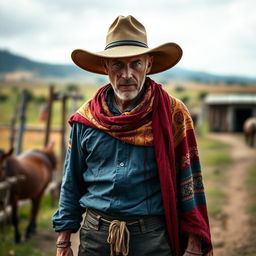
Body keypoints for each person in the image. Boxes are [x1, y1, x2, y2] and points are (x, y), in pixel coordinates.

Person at [52, 15, 212, 256]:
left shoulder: (173, 113)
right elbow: (71, 182)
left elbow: (189, 180)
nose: (126, 74)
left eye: (135, 64)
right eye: (117, 64)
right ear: (105, 67)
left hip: (152, 239)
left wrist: (193, 244)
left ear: (148, 64)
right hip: (95, 237)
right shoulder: (85, 119)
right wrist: (63, 241)